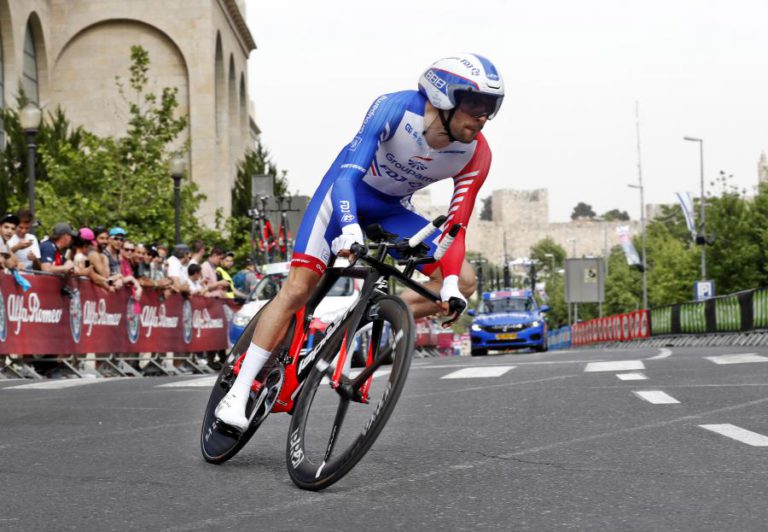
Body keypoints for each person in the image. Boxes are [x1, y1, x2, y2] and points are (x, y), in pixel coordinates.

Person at [216, 53, 504, 431]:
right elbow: (348, 176)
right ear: (442, 96)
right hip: (343, 196)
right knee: (299, 289)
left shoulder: (477, 153)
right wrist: (349, 227)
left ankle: (356, 316)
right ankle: (239, 389)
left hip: (391, 211)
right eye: (475, 102)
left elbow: (455, 229)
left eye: (491, 106)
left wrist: (449, 284)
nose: (483, 115)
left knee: (464, 280)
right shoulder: (396, 108)